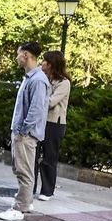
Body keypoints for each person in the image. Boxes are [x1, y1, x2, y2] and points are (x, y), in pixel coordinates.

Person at [0, 41, 49, 221]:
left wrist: (23, 131)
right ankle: (26, 201)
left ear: (26, 55)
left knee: (24, 171)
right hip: (21, 133)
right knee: (20, 168)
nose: (16, 57)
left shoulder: (38, 80)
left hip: (25, 135)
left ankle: (21, 207)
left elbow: (36, 110)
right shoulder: (31, 78)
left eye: (19, 54)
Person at [36, 50, 71, 200]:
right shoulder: (42, 78)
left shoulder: (64, 83)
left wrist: (36, 100)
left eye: (44, 61)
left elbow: (50, 102)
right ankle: (29, 188)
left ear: (51, 65)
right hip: (40, 121)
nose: (41, 63)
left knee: (49, 157)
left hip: (54, 124)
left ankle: (47, 190)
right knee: (33, 155)